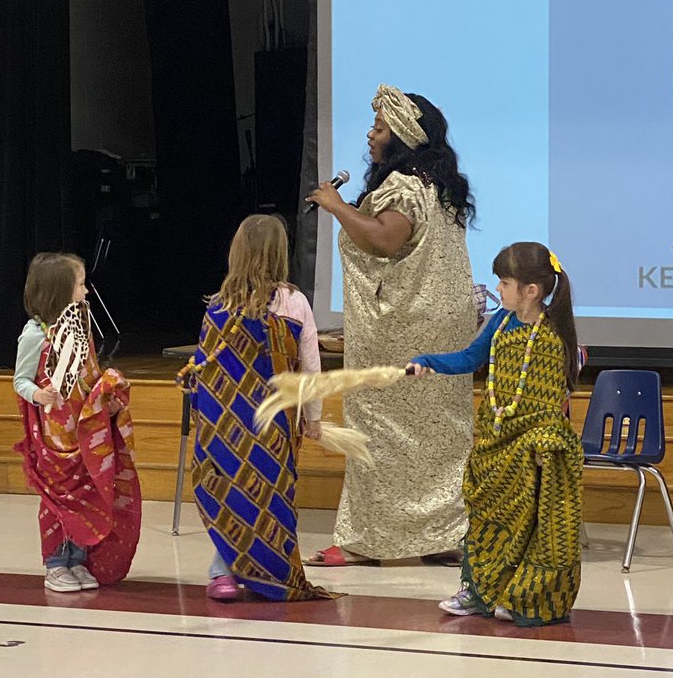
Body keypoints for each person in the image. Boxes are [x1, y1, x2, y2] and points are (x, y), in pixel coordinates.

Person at [304, 84, 476, 566]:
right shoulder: (439, 187)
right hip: (443, 324)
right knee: (440, 430)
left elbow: (385, 240)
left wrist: (335, 206)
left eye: (379, 128)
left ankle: (366, 541)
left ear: (400, 137)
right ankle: (441, 535)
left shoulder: (403, 187)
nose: (370, 135)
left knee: (378, 428)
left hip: (402, 328)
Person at [409, 242, 583, 626]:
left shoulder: (553, 336)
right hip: (494, 445)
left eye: (504, 283)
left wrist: (543, 444)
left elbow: (552, 401)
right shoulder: (500, 325)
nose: (498, 290)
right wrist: (427, 362)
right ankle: (477, 591)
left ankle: (525, 597)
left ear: (530, 291)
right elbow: (469, 359)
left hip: (534, 450)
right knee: (486, 521)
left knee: (532, 528)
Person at [180, 215, 334, 602]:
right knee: (268, 495)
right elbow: (311, 368)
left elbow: (204, 368)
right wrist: (313, 418)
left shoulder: (218, 305)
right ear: (281, 253)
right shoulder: (294, 303)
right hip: (272, 424)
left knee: (229, 491)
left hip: (222, 425)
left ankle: (222, 573)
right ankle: (267, 573)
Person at [13, 252, 142, 593]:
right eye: (80, 285)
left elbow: (87, 380)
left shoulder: (80, 330)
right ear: (58, 290)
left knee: (89, 495)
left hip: (85, 433)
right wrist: (38, 395)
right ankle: (56, 563)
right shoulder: (34, 336)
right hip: (55, 440)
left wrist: (107, 403)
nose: (86, 293)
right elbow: (20, 380)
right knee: (59, 500)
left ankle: (78, 559)